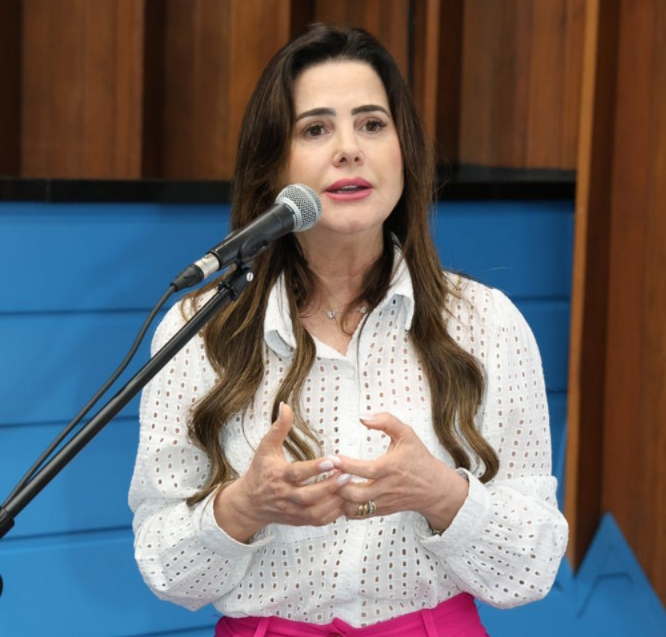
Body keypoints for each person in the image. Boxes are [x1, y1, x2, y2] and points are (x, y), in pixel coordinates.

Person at [129, 23, 568, 637]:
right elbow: (165, 567)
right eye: (315, 129)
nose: (349, 150)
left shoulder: (485, 323)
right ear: (272, 167)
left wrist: (442, 494)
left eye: (371, 124)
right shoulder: (200, 331)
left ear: (403, 152)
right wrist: (243, 508)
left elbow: (533, 567)